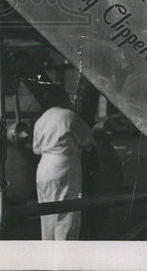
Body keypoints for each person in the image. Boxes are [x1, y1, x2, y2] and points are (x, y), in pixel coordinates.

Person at [32, 88, 94, 240]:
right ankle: (64, 255)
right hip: (64, 166)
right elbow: (87, 139)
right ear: (62, 99)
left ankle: (48, 252)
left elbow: (36, 149)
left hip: (44, 167)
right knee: (66, 214)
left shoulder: (41, 119)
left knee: (46, 213)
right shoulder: (69, 116)